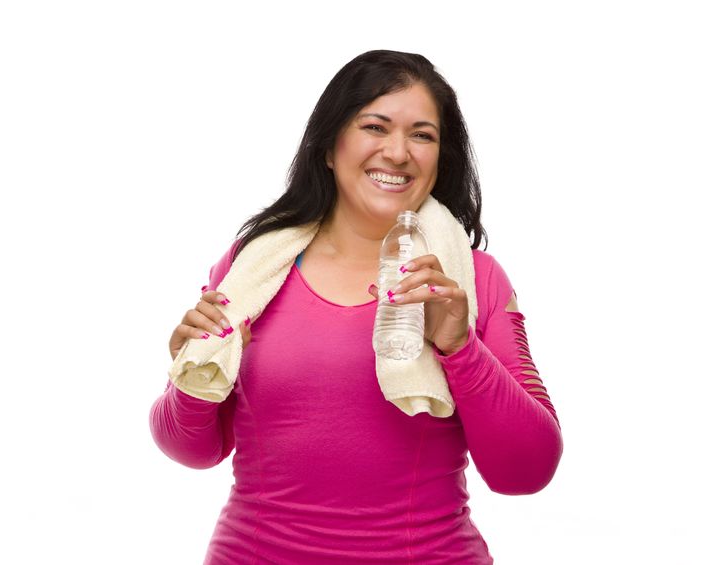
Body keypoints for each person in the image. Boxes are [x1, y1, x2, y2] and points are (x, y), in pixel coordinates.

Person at [149, 50, 563, 564]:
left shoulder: (471, 281)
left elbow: (526, 471)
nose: (397, 152)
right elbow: (192, 450)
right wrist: (188, 379)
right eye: (375, 126)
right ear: (329, 146)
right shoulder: (251, 269)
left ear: (440, 159)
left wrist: (460, 348)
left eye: (422, 135)